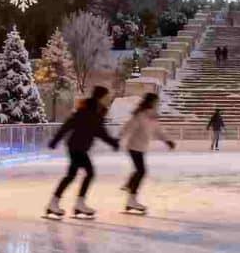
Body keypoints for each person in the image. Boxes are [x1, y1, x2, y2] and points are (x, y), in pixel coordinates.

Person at [45, 86, 120, 219]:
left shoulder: (97, 111)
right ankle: (71, 204)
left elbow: (99, 131)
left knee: (74, 175)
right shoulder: (87, 110)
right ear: (101, 97)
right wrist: (55, 140)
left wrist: (112, 142)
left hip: (80, 147)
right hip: (76, 147)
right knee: (85, 174)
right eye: (106, 97)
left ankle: (62, 203)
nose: (108, 99)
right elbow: (69, 124)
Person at [119, 93, 176, 213]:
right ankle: (131, 199)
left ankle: (130, 188)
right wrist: (119, 137)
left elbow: (158, 131)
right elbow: (128, 127)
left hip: (141, 147)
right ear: (150, 102)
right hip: (134, 147)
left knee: (139, 171)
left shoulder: (152, 116)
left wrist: (167, 140)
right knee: (141, 171)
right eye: (156, 102)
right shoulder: (140, 115)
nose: (157, 104)